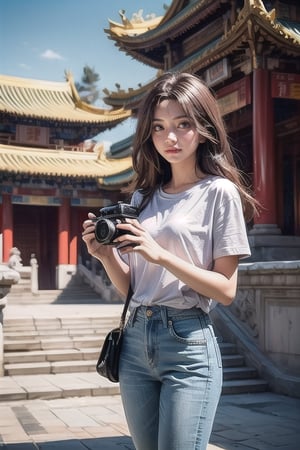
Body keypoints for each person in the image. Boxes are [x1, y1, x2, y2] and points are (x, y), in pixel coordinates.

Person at [82, 72, 258, 450]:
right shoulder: (144, 196)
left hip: (188, 342)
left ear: (204, 127)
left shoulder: (219, 193)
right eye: (159, 127)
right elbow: (134, 286)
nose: (170, 138)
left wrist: (160, 254)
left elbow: (226, 290)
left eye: (183, 124)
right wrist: (106, 256)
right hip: (134, 340)